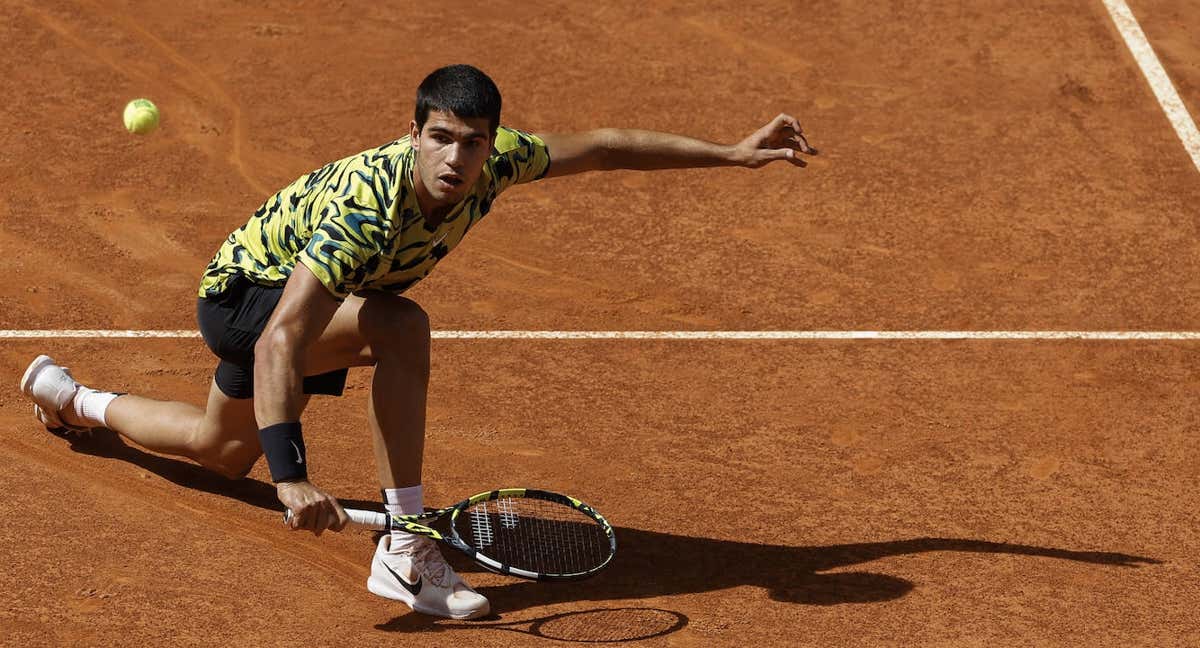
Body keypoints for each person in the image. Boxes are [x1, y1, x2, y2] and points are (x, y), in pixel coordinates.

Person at [19, 64, 817, 620]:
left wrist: (732, 153)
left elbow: (605, 145)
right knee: (401, 327)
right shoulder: (367, 209)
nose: (455, 158)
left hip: (300, 303)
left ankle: (71, 398)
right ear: (414, 132)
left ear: (492, 143)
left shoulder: (498, 165)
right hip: (243, 300)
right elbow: (279, 340)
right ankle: (404, 550)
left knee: (219, 451)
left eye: (473, 142)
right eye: (440, 138)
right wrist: (294, 477)